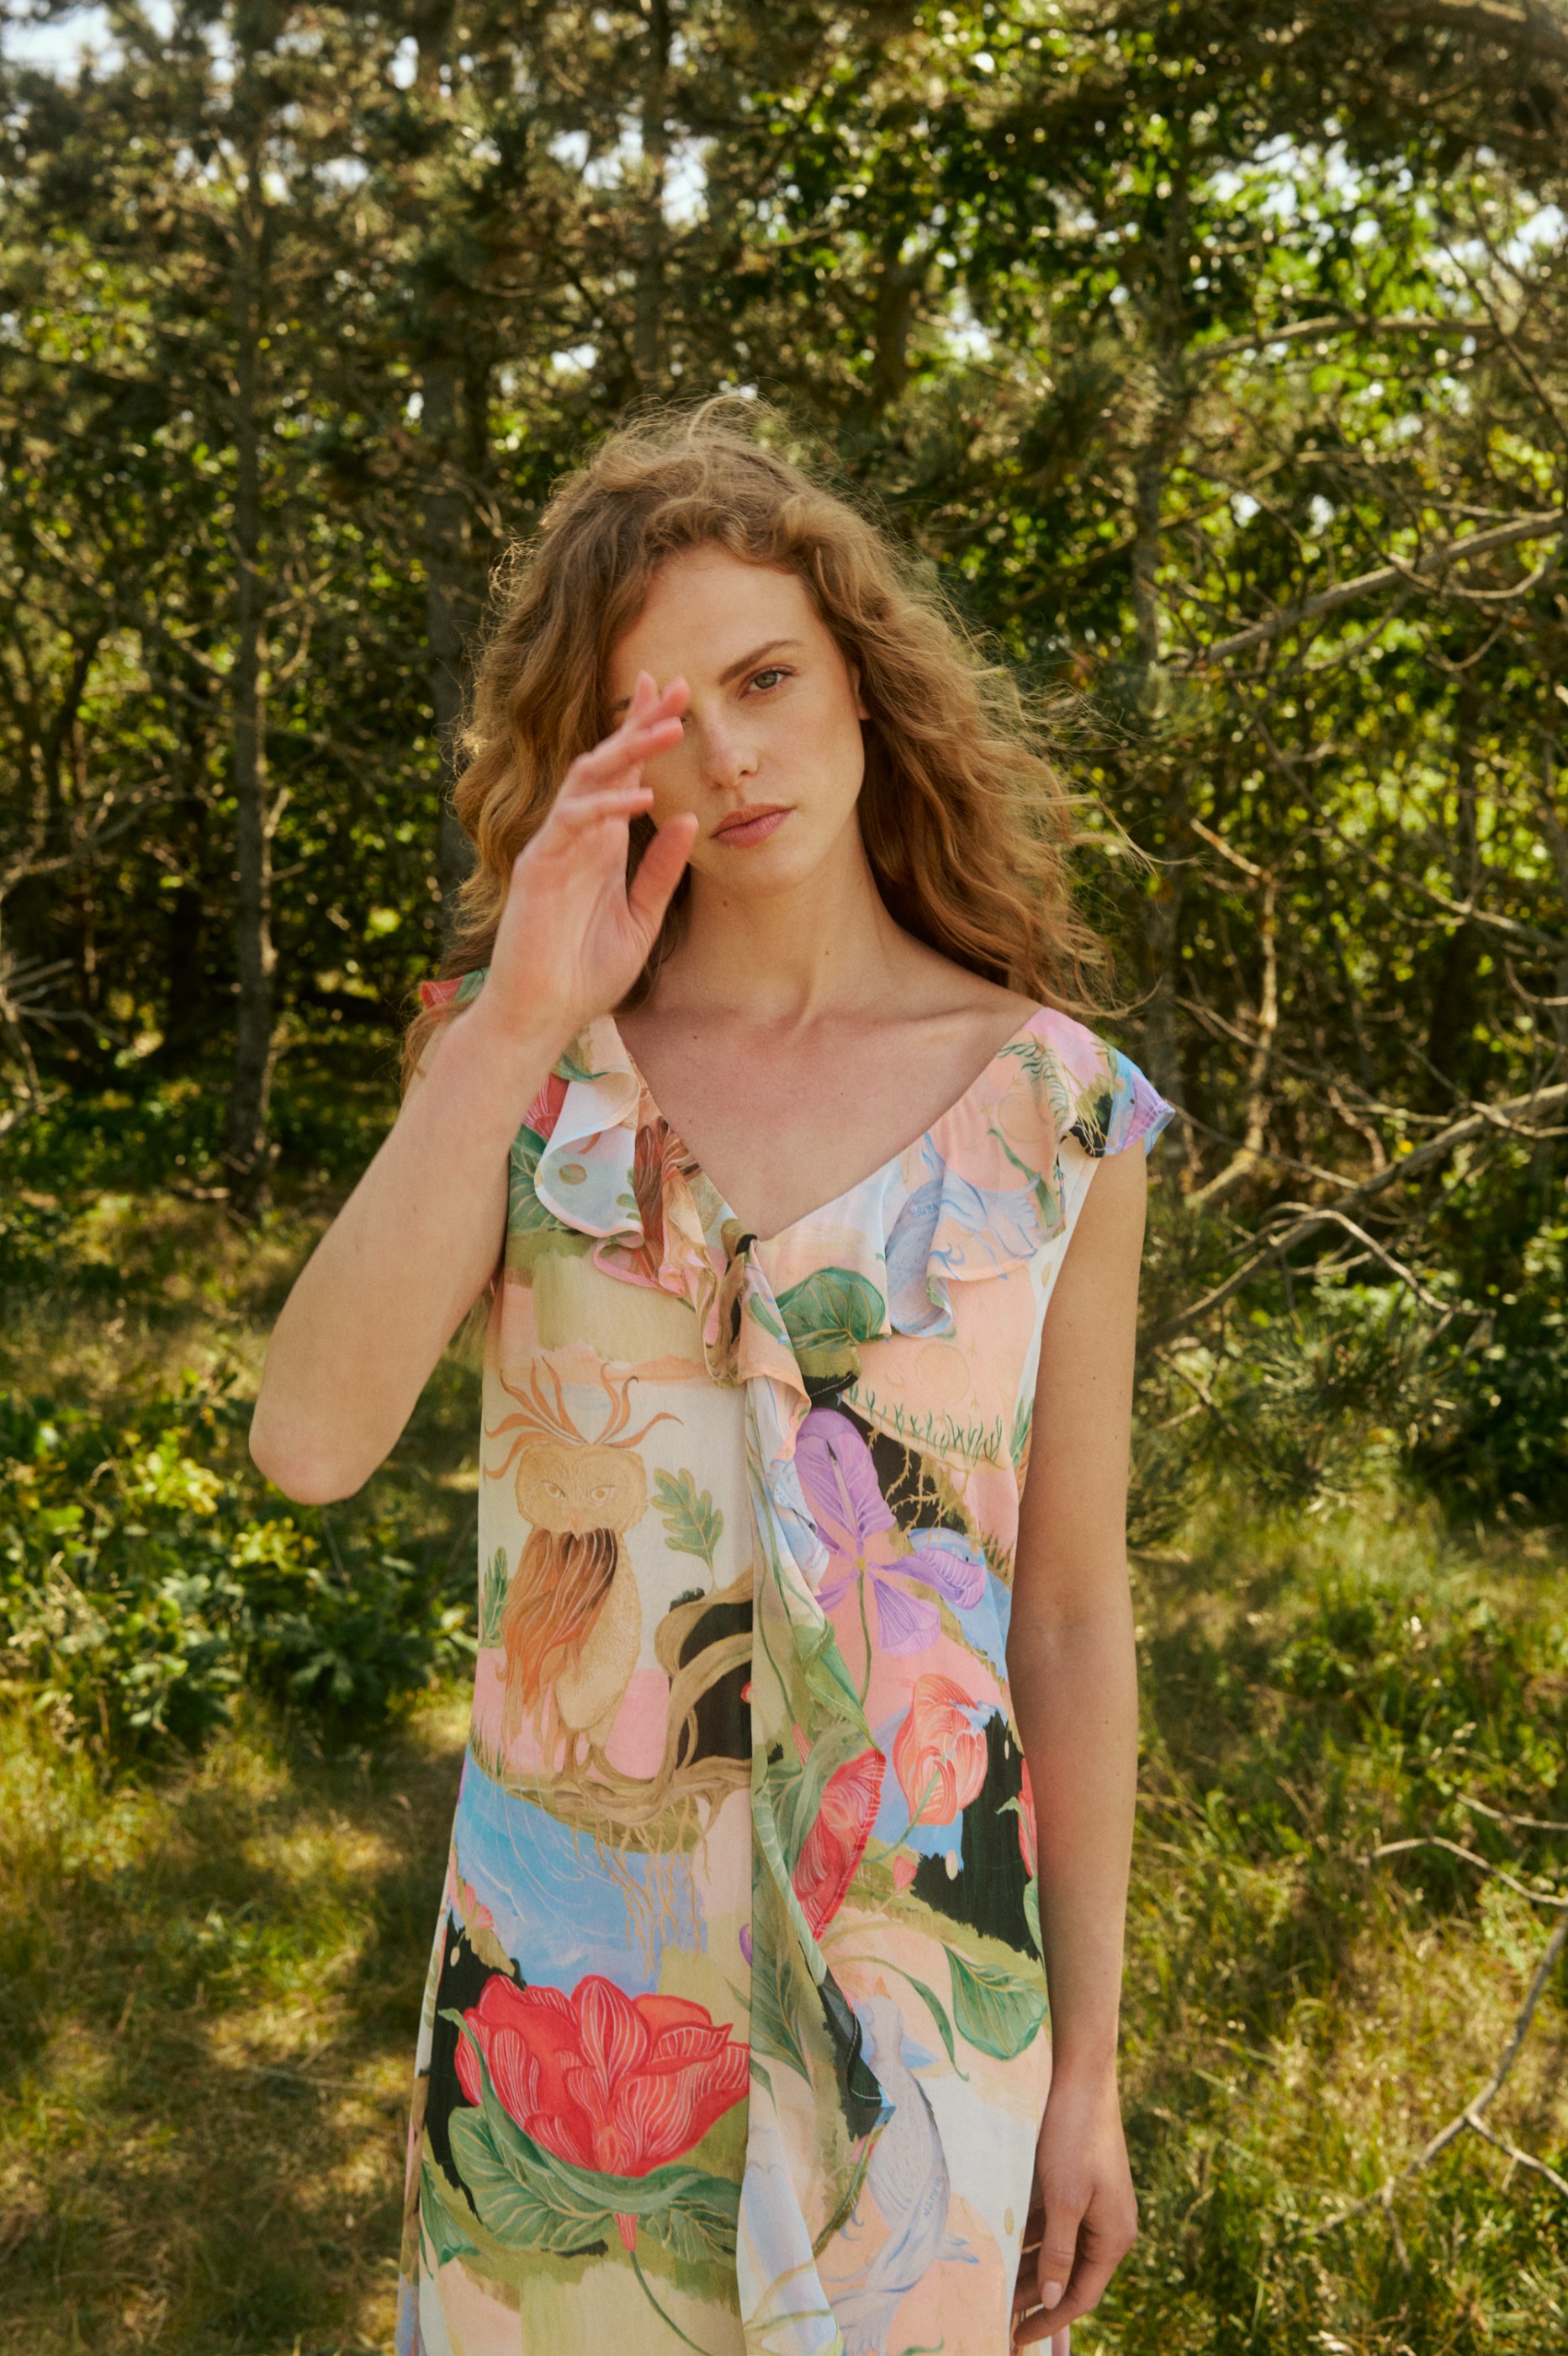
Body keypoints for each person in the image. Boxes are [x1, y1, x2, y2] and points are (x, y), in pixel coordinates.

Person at [251, 406, 1172, 2356]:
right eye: (664, 712)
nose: (731, 751)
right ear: (602, 759)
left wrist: (1082, 2068)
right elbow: (310, 1439)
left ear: (858, 680)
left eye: (764, 678)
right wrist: (516, 1015)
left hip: (925, 2013)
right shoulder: (521, 1072)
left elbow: (1071, 1614)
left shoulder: (1053, 1106)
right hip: (570, 2024)